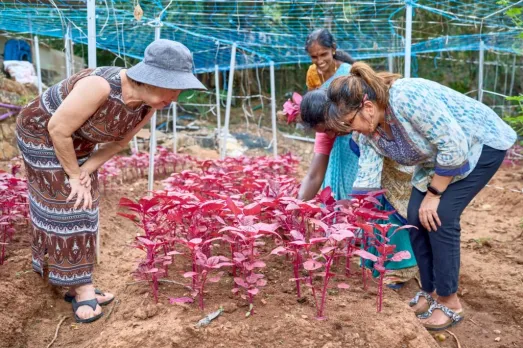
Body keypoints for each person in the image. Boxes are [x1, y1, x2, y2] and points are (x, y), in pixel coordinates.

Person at [16, 39, 206, 323]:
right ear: (153, 79)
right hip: (41, 134)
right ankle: (81, 288)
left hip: (76, 143)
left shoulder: (148, 105)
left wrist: (86, 170)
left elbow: (118, 144)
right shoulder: (100, 86)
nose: (176, 97)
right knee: (69, 203)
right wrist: (72, 176)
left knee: (87, 202)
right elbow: (57, 129)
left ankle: (72, 281)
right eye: (175, 87)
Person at [324, 62, 517, 330]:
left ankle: (450, 302)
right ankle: (431, 292)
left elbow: (454, 145)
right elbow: (366, 179)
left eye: (349, 122)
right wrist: (351, 218)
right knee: (413, 217)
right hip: (437, 161)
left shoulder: (406, 97)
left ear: (367, 107)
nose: (350, 130)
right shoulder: (369, 131)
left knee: (439, 216)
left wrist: (435, 193)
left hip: (479, 145)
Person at [300, 90, 418, 288]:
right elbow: (314, 175)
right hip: (366, 180)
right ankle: (374, 264)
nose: (329, 134)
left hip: (392, 175)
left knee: (389, 212)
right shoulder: (335, 130)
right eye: (323, 132)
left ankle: (400, 267)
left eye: (329, 127)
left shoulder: (365, 123)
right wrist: (298, 206)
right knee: (371, 213)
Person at [300, 28, 358, 201]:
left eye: (323, 54)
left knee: (351, 178)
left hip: (348, 131)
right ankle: (297, 208)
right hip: (325, 125)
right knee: (322, 170)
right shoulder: (312, 73)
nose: (319, 61)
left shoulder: (349, 74)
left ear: (333, 49)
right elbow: (313, 101)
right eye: (314, 57)